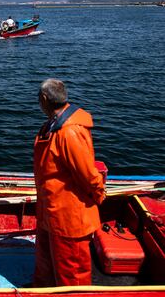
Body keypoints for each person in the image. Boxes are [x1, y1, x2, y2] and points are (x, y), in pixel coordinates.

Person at [33, 78, 106, 287]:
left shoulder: (69, 132)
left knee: (71, 273)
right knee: (45, 264)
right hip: (51, 211)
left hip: (68, 218)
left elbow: (88, 174)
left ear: (44, 99)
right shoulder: (53, 126)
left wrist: (99, 194)